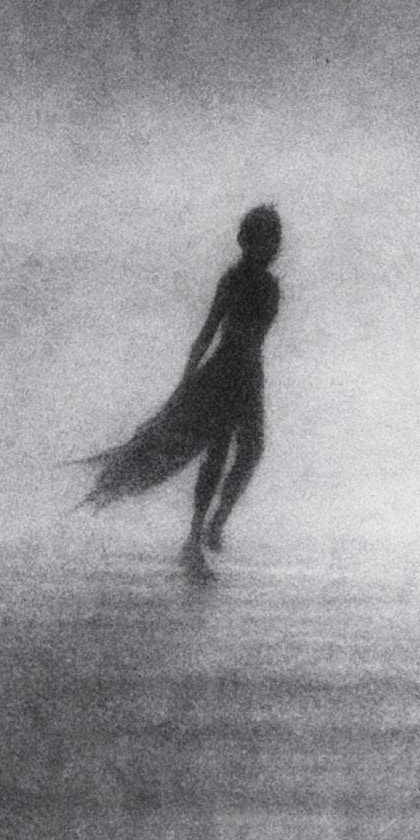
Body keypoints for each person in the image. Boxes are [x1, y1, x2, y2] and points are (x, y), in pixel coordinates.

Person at [81, 205, 283, 581]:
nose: (275, 247)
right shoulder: (234, 280)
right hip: (224, 373)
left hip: (250, 375)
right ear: (246, 241)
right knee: (218, 453)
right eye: (267, 239)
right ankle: (195, 538)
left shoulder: (271, 285)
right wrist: (184, 385)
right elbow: (207, 333)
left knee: (252, 451)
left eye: (276, 240)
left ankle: (215, 523)